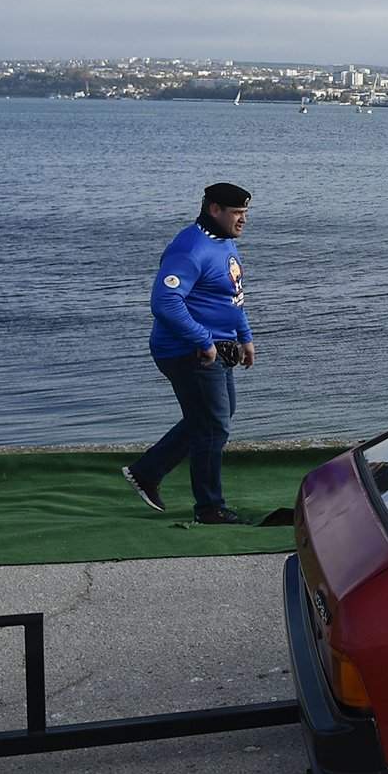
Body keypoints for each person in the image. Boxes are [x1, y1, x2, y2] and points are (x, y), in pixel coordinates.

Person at [122, 183, 255, 525]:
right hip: (187, 351)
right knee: (213, 426)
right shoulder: (190, 248)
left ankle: (147, 471)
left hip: (218, 348)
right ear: (214, 210)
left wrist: (245, 336)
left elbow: (230, 296)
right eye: (237, 213)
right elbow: (164, 302)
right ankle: (209, 507)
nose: (243, 220)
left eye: (245, 213)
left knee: (212, 420)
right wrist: (203, 340)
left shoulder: (223, 243)